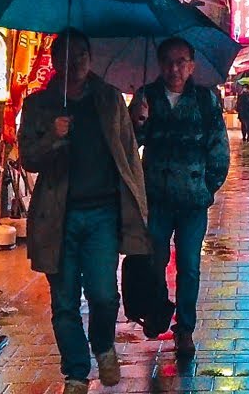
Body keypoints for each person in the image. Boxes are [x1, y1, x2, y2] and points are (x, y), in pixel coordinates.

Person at [19, 30, 151, 394]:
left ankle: (103, 344)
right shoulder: (39, 105)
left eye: (81, 55)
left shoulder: (108, 99)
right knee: (63, 301)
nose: (75, 63)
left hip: (102, 215)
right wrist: (53, 135)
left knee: (104, 293)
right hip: (56, 218)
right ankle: (76, 372)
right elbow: (27, 158)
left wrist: (138, 123)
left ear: (90, 59)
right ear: (54, 61)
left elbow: (126, 151)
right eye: (66, 56)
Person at [130, 37, 230, 357]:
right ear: (160, 64)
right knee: (154, 262)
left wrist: (207, 187)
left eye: (181, 61)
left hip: (192, 202)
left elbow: (219, 148)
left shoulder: (205, 99)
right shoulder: (147, 96)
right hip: (156, 198)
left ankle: (184, 328)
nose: (175, 68)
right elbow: (130, 149)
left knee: (188, 266)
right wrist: (137, 122)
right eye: (169, 62)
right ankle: (158, 311)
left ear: (192, 65)